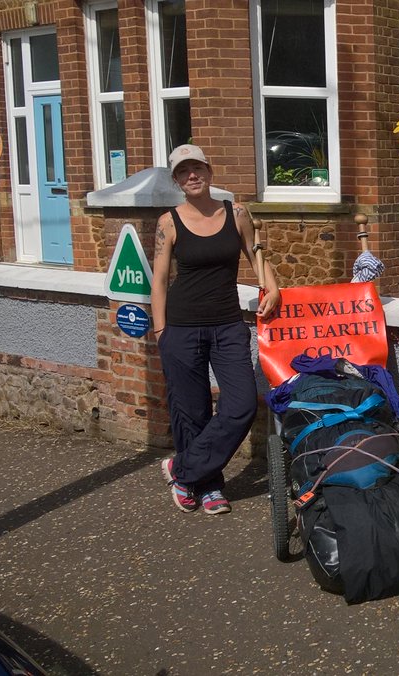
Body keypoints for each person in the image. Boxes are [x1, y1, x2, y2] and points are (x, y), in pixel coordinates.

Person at [151, 144, 281, 515]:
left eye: (197, 168)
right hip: (181, 327)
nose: (192, 176)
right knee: (191, 411)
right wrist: (161, 331)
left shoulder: (237, 212)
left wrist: (271, 287)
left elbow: (256, 255)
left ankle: (182, 469)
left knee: (240, 405)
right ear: (177, 180)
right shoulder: (168, 222)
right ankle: (207, 487)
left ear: (210, 171)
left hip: (226, 324)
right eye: (183, 171)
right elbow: (159, 281)